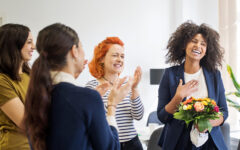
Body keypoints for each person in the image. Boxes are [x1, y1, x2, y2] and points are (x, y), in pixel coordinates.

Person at [24, 23, 133, 150]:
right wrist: (112, 105)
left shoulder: (36, 95)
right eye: (81, 47)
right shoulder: (87, 97)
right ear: (74, 51)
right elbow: (111, 148)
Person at [157, 21, 229, 150]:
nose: (198, 46)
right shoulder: (169, 74)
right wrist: (178, 97)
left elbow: (224, 111)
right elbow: (162, 116)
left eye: (203, 44)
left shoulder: (214, 75)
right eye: (194, 41)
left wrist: (209, 122)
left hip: (209, 141)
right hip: (178, 142)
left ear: (207, 51)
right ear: (184, 45)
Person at [86, 37, 144, 150]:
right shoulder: (93, 87)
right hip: (108, 144)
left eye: (122, 56)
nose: (120, 59)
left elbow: (138, 116)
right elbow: (92, 121)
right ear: (102, 58)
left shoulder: (128, 84)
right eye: (115, 55)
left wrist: (135, 88)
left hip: (133, 144)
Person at [0, 23, 34, 150]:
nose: (34, 47)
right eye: (29, 42)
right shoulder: (2, 81)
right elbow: (25, 123)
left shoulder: (30, 75)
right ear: (14, 45)